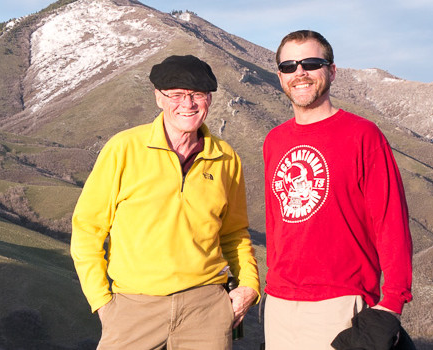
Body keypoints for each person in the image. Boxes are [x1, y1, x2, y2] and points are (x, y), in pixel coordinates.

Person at [71, 54, 260, 349]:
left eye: (197, 94)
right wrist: (103, 303)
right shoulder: (123, 148)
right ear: (158, 98)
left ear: (209, 99)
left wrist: (249, 284)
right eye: (176, 95)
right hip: (133, 309)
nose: (188, 104)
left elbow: (234, 232)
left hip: (207, 308)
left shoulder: (226, 157)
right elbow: (88, 229)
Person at [262, 30, 413, 349]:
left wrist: (392, 304)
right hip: (278, 304)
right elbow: (276, 221)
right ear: (280, 77)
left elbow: (390, 221)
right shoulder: (274, 141)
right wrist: (270, 288)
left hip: (340, 304)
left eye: (311, 63)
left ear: (331, 71)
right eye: (289, 66)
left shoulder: (363, 135)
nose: (299, 72)